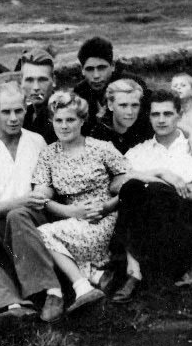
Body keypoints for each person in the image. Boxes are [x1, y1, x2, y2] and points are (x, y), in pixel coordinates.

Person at [0, 80, 64, 328]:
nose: (13, 118)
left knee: (18, 215)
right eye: (6, 112)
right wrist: (21, 200)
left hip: (33, 218)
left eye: (18, 111)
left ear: (26, 109)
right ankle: (14, 304)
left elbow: (49, 184)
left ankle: (52, 291)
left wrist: (41, 193)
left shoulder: (37, 141)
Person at [32, 90, 131, 315]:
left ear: (82, 120)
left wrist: (107, 206)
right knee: (40, 235)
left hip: (103, 218)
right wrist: (71, 211)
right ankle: (91, 279)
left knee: (43, 235)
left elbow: (129, 184)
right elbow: (41, 198)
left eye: (70, 119)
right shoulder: (48, 154)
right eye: (58, 120)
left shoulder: (101, 148)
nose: (64, 126)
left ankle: (84, 284)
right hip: (72, 218)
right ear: (51, 121)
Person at [109, 89, 192, 302]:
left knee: (146, 190)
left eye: (167, 114)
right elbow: (116, 184)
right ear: (149, 117)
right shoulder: (139, 151)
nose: (161, 120)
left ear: (179, 115)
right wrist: (159, 173)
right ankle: (134, 271)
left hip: (190, 217)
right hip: (151, 220)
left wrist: (146, 182)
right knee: (131, 189)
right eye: (155, 114)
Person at [73, 36, 148, 131]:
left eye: (101, 68)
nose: (96, 75)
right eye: (90, 69)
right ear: (82, 70)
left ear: (112, 66)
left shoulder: (133, 85)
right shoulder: (80, 92)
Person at [18, 46, 58, 143]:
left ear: (54, 81)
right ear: (21, 82)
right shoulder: (25, 114)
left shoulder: (62, 115)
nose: (36, 87)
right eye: (29, 80)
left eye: (42, 80)